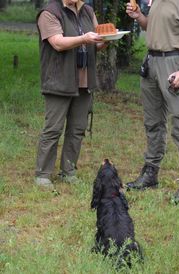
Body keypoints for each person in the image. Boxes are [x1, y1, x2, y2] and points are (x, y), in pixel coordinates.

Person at [126, 0, 179, 203]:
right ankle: (150, 173)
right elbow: (152, 27)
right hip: (151, 62)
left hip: (175, 63)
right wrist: (139, 16)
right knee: (153, 122)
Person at [35, 0, 105, 188]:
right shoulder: (49, 12)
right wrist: (84, 39)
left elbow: (97, 40)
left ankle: (69, 170)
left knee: (77, 129)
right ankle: (43, 174)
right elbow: (57, 43)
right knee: (53, 129)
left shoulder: (88, 11)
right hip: (59, 80)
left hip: (84, 81)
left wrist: (105, 40)